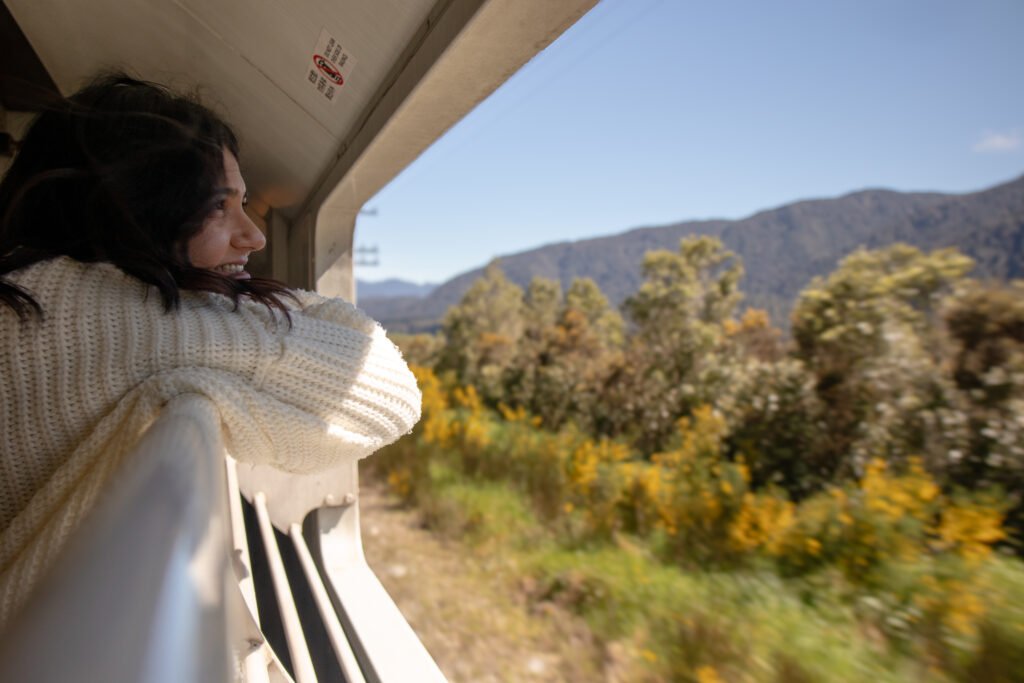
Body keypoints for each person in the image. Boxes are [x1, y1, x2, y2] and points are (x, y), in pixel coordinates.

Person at [0, 73, 422, 628]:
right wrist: (240, 331)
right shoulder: (132, 320)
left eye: (243, 204)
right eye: (218, 208)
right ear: (134, 205)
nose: (255, 236)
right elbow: (390, 395)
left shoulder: (33, 287)